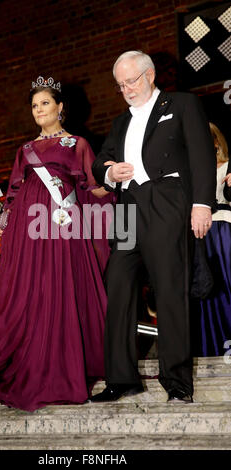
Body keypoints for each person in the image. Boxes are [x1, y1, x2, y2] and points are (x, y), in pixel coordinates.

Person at [0, 76, 112, 412]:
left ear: (60, 108)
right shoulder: (25, 150)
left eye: (45, 103)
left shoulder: (78, 144)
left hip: (63, 224)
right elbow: (13, 191)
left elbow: (94, 188)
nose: (38, 110)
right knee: (30, 288)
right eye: (34, 105)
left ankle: (61, 365)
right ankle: (24, 356)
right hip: (28, 225)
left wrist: (115, 183)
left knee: (60, 287)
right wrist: (4, 215)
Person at [91, 50, 216, 404]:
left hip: (166, 200)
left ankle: (176, 382)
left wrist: (202, 204)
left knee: (169, 288)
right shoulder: (120, 122)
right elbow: (101, 161)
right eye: (120, 85)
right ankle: (121, 378)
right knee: (117, 284)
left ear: (149, 75)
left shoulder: (181, 104)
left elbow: (202, 154)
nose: (126, 89)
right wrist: (110, 172)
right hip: (129, 207)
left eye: (131, 80)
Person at [191, 123, 231, 356]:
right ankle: (214, 349)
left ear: (216, 142)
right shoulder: (189, 173)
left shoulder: (227, 166)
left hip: (223, 233)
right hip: (199, 237)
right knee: (207, 294)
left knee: (226, 287)